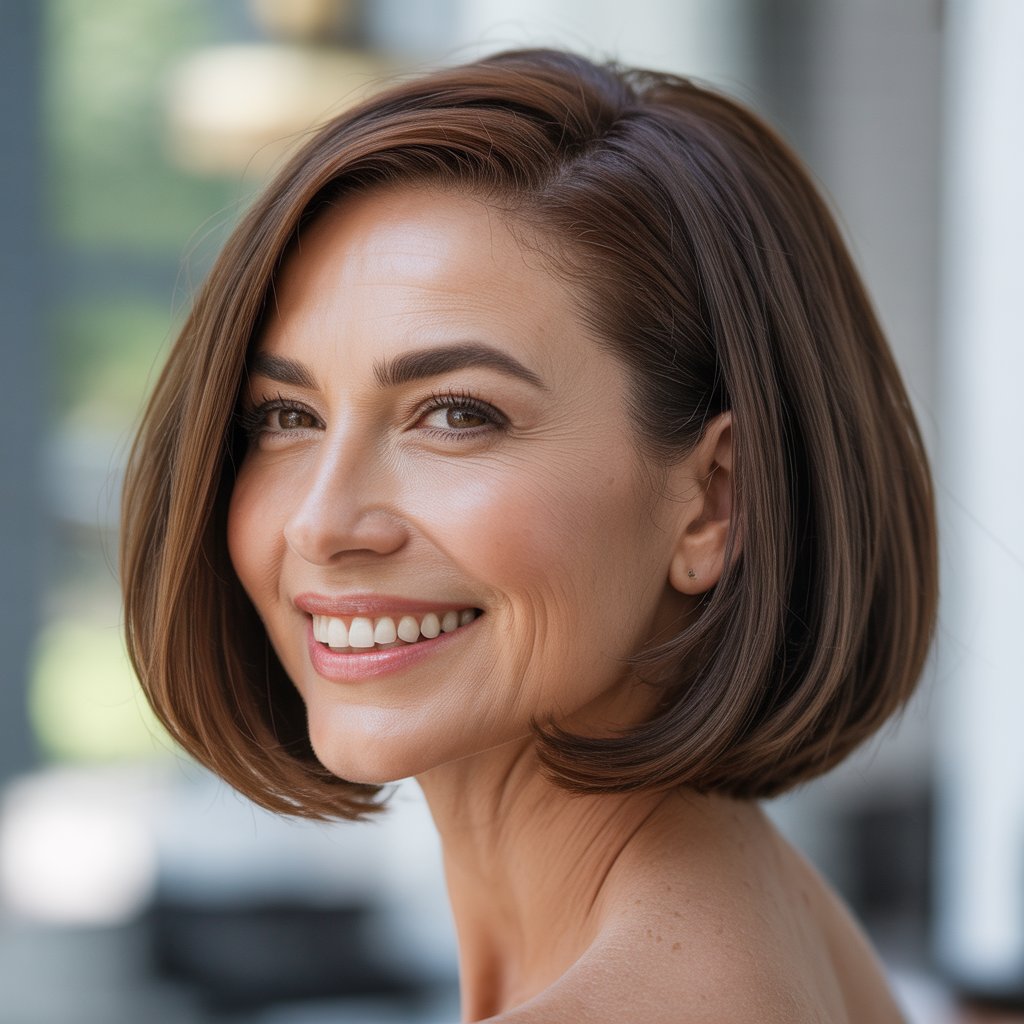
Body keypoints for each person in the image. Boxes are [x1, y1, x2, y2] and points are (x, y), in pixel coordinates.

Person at [121, 48, 937, 1022]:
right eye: (286, 416)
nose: (321, 522)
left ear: (717, 502)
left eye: (458, 414)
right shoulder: (752, 902)